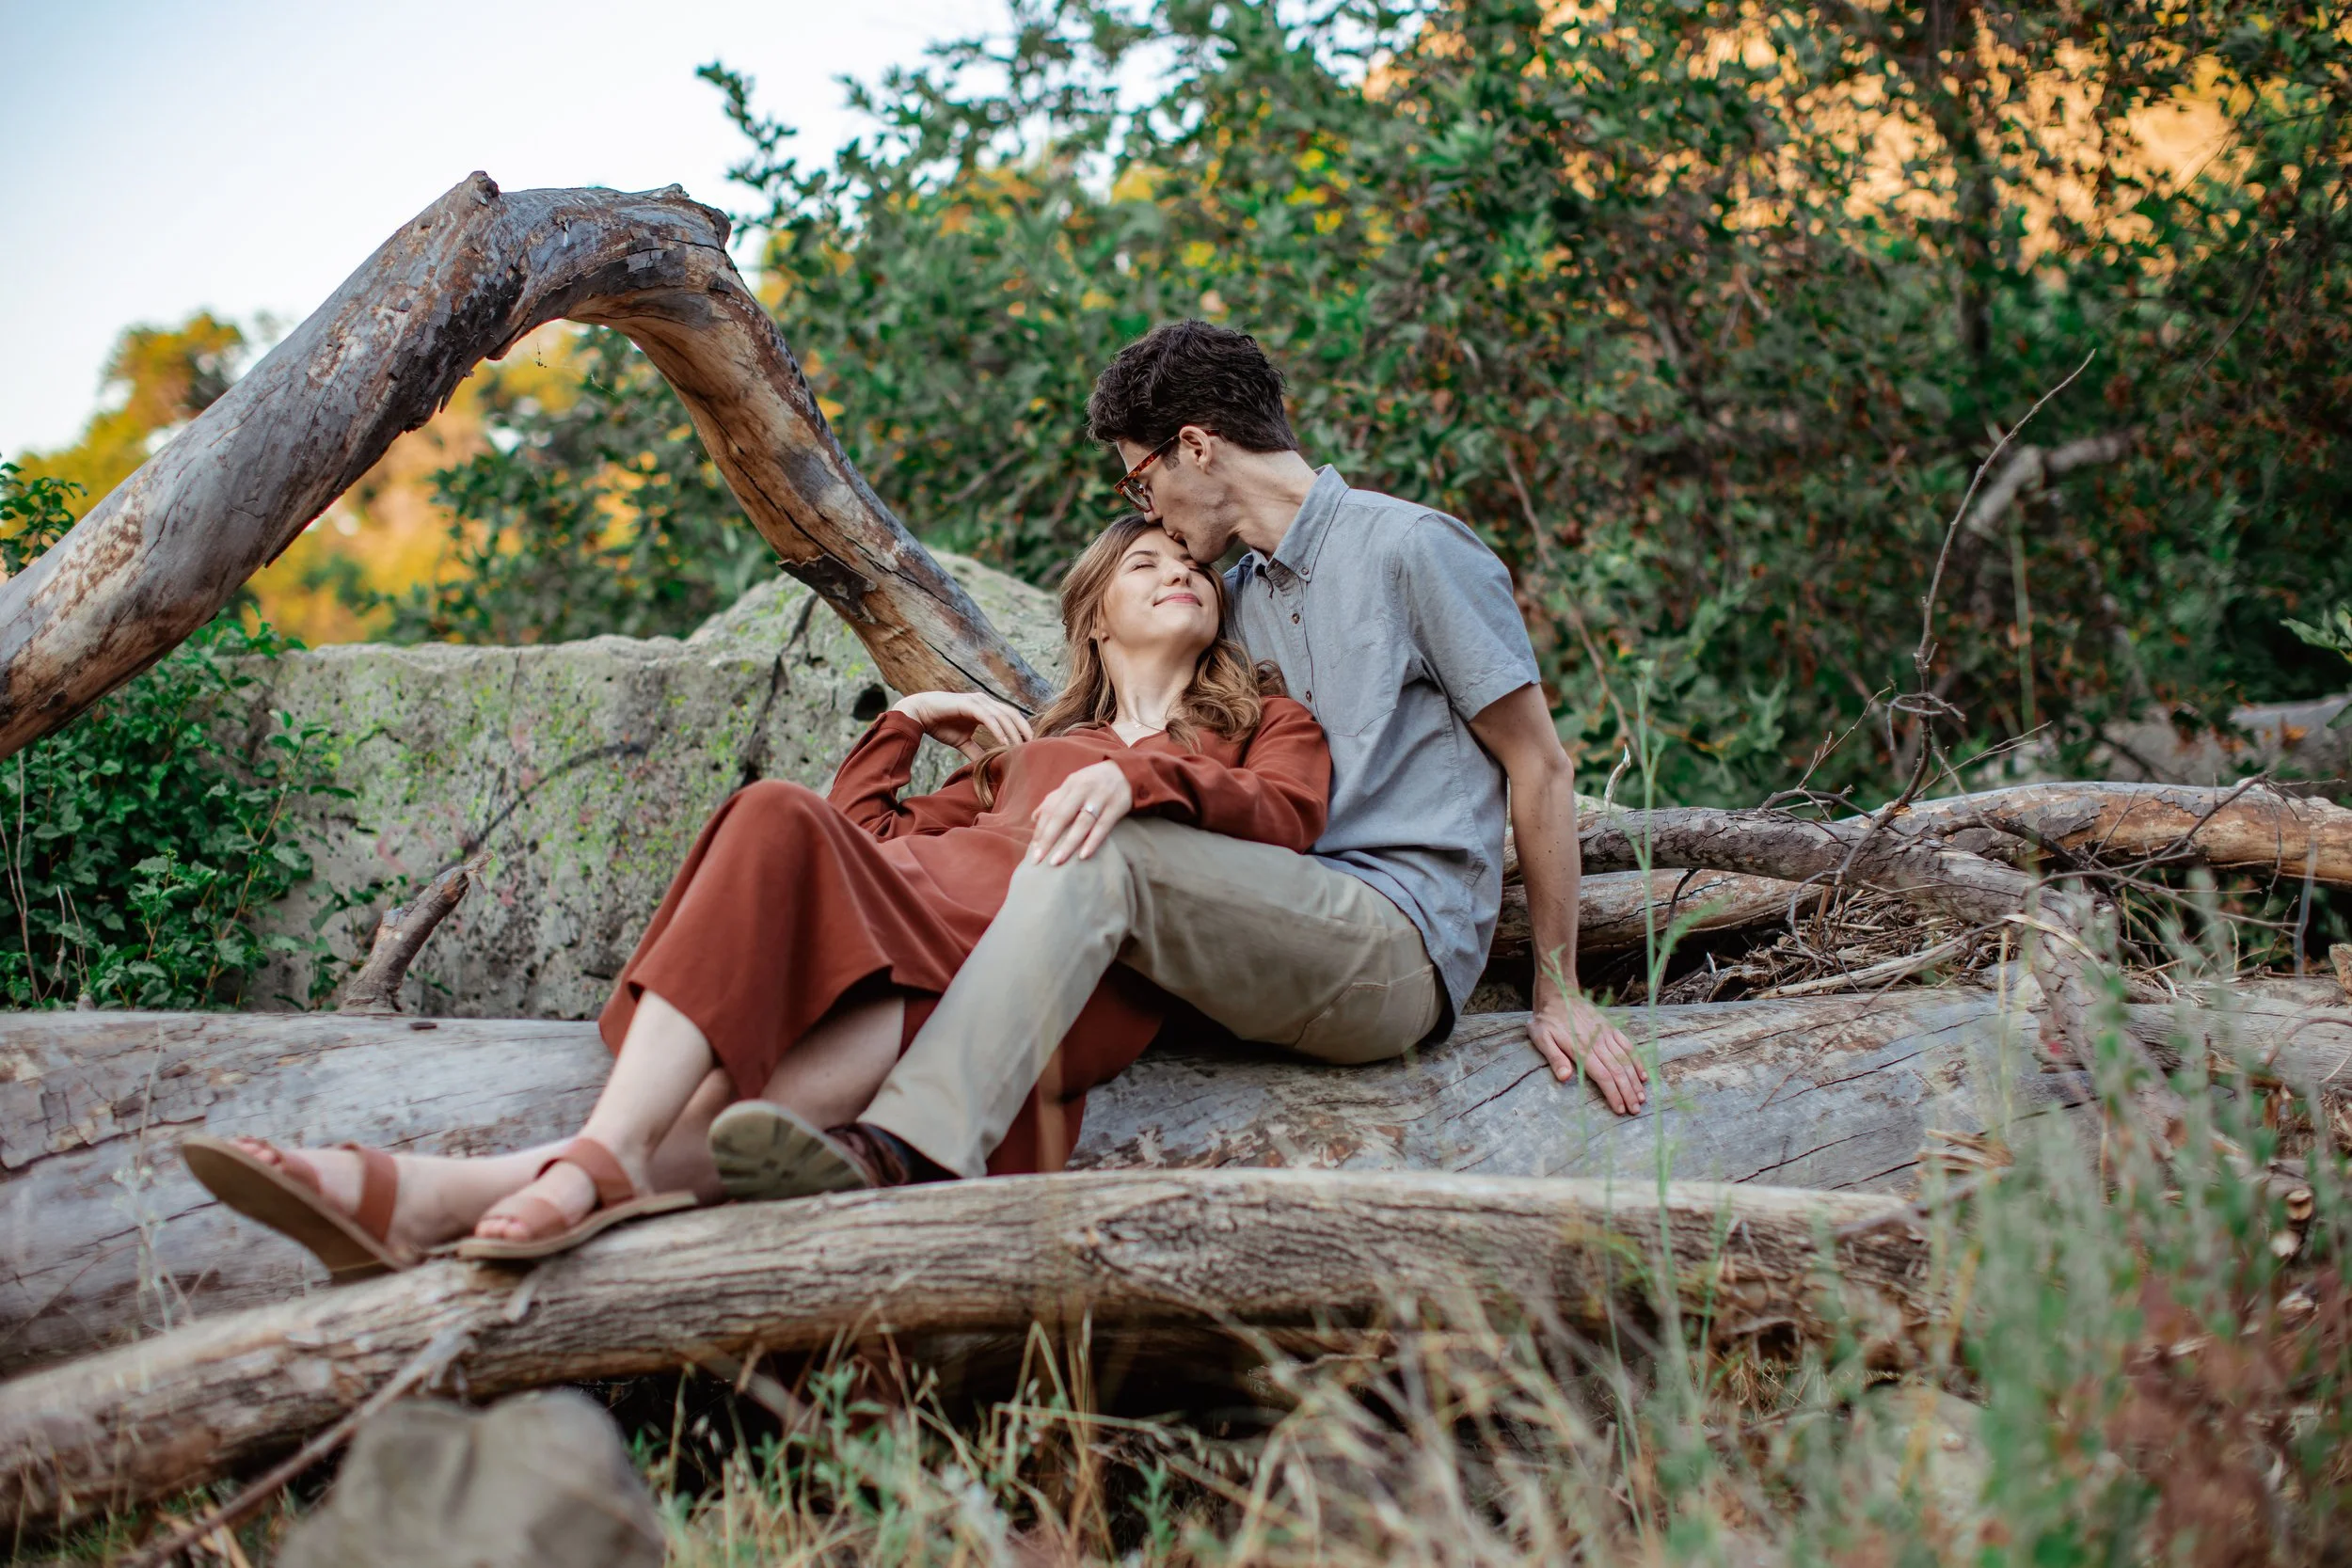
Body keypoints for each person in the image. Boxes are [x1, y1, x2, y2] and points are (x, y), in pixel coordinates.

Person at [183, 516, 1327, 1275]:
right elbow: (872, 842)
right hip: (929, 936)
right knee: (778, 811)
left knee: (897, 983)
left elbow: (1288, 820)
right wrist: (903, 725)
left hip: (1049, 981)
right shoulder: (1026, 750)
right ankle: (579, 1167)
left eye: (1191, 563)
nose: (1178, 569)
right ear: (1090, 613)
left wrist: (1144, 774)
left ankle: (472, 1186)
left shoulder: (1258, 724)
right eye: (1145, 561)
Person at [717, 320, 1645, 1201]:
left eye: (1139, 481)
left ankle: (907, 1150)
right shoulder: (1223, 596)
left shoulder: (1410, 550)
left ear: (1196, 447)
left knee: (1104, 849)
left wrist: (1557, 990)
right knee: (1059, 859)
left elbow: (1542, 766)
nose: (1145, 508)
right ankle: (751, 1117)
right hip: (1247, 922)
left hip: (1392, 941)